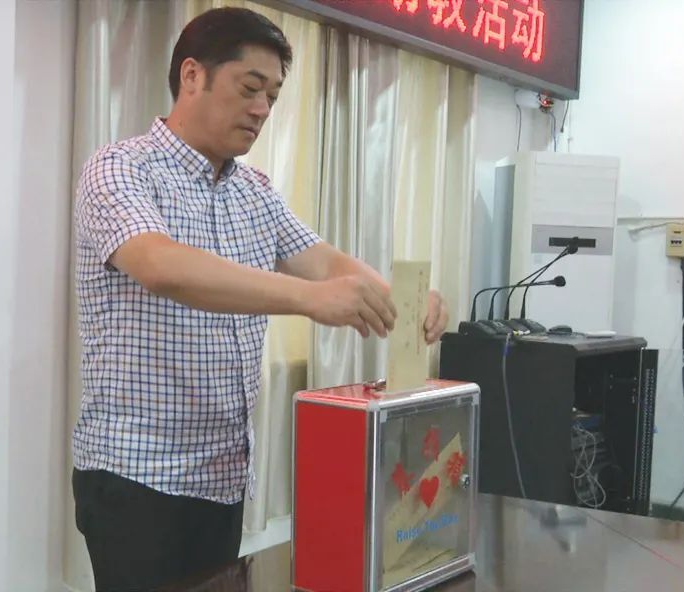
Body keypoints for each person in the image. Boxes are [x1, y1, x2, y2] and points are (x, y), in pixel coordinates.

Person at [71, 7, 449, 591]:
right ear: (192, 75)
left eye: (272, 96)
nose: (262, 110)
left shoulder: (255, 191)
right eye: (250, 88)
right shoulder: (120, 168)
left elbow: (324, 261)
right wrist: (309, 300)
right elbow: (160, 266)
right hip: (136, 476)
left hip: (221, 476)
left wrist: (404, 299)